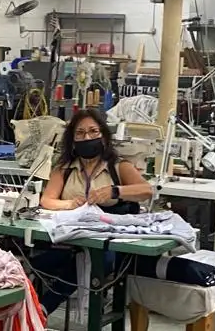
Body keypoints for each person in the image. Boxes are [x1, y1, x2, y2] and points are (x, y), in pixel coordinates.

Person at [32, 107, 152, 315]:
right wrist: (69, 204)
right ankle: (27, 307)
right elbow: (47, 200)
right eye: (80, 133)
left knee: (86, 262)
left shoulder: (118, 167)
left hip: (106, 245)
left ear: (103, 136)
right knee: (37, 262)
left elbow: (146, 191)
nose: (87, 137)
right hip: (71, 239)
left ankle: (42, 309)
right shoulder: (65, 169)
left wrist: (114, 191)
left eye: (93, 131)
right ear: (72, 139)